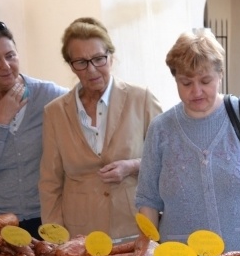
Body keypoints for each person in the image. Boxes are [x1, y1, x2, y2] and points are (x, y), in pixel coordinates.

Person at [135, 29, 240, 253]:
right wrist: (147, 250)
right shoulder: (161, 129)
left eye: (205, 80)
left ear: (220, 75)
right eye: (186, 83)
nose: (196, 91)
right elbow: (148, 200)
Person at [39, 17, 162, 240]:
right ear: (71, 65)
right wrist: (56, 238)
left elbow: (169, 159)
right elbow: (50, 182)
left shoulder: (140, 99)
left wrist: (132, 166)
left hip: (134, 226)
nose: (92, 69)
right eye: (81, 62)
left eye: (99, 59)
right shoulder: (55, 112)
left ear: (111, 57)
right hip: (80, 234)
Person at [0, 20, 68, 238]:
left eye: (10, 55)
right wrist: (1, 119)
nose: (6, 66)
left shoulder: (50, 94)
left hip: (48, 215)